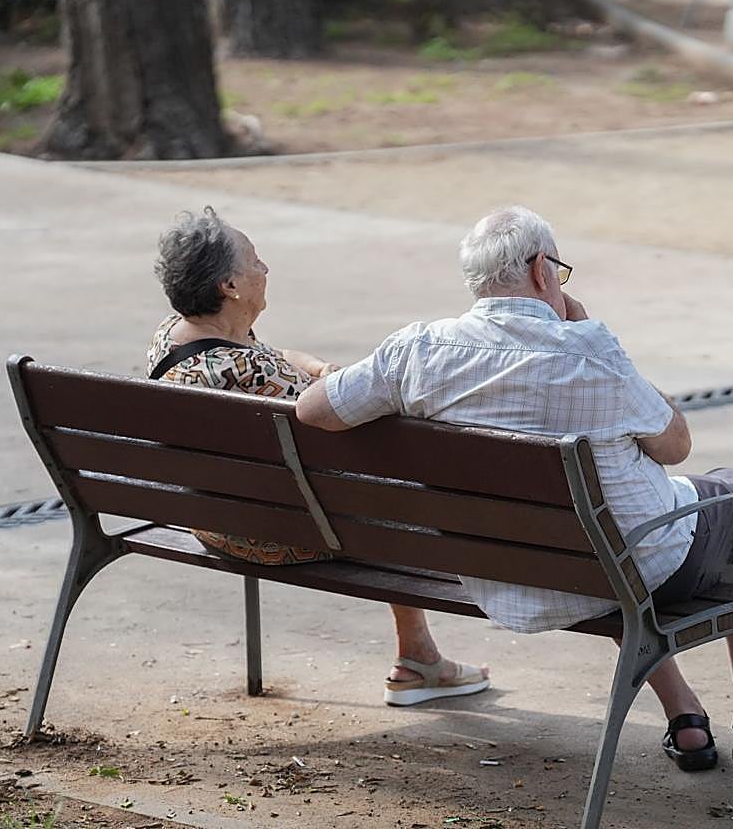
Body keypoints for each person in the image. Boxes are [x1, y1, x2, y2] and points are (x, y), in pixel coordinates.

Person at [296, 206, 733, 771]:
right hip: (627, 565)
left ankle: (684, 714)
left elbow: (313, 410)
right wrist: (595, 341)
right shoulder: (589, 354)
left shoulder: (417, 350)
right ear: (542, 270)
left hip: (509, 571)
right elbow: (675, 445)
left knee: (601, 529)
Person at [147, 206, 489, 707]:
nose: (266, 270)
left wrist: (322, 368)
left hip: (214, 517)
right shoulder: (254, 374)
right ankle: (419, 659)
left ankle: (418, 654)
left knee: (370, 487)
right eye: (256, 262)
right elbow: (342, 412)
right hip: (282, 532)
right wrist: (336, 381)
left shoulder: (179, 338)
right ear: (230, 286)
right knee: (394, 488)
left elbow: (278, 357)